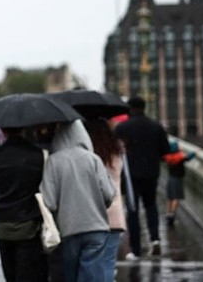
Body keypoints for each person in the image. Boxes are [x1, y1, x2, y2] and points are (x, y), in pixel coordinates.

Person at [43, 120, 115, 282]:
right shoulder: (93, 159)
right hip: (97, 228)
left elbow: (50, 201)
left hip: (69, 230)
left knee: (71, 276)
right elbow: (109, 194)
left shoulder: (53, 161)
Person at [0, 126, 45, 282]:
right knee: (28, 271)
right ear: (24, 128)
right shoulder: (35, 153)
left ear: (3, 131)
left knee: (9, 271)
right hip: (28, 221)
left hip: (2, 221)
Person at [114, 96, 170, 259]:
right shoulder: (156, 127)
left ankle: (136, 250)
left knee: (133, 211)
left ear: (130, 109)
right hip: (151, 173)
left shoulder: (122, 128)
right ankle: (155, 239)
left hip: (131, 176)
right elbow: (165, 152)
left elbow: (116, 152)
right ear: (144, 108)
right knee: (151, 206)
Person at [85, 118, 126, 282]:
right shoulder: (116, 152)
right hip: (114, 213)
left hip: (93, 213)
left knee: (92, 265)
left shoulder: (88, 155)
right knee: (109, 264)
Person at [163, 140, 196, 226]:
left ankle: (168, 213)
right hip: (177, 180)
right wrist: (196, 152)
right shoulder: (180, 158)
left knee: (170, 197)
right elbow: (189, 157)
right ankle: (172, 215)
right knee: (176, 197)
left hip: (170, 179)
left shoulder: (169, 157)